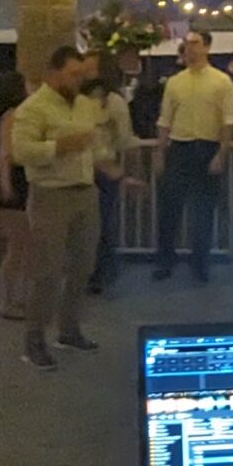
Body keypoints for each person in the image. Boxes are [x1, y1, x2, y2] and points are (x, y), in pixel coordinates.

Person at [10, 47, 105, 372]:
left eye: (81, 75)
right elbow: (20, 151)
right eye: (73, 74)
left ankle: (69, 329)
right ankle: (34, 340)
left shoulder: (85, 105)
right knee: (47, 271)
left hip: (85, 192)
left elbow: (94, 144)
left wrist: (112, 166)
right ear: (53, 73)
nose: (79, 80)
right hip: (50, 195)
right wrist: (58, 147)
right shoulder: (33, 109)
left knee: (83, 265)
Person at [152, 31, 233, 283]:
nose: (190, 49)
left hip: (207, 148)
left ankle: (200, 264)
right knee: (169, 209)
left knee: (203, 211)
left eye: (195, 44)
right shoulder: (174, 82)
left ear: (207, 47)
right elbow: (165, 120)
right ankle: (165, 260)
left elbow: (228, 121)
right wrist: (159, 152)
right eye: (187, 45)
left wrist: (221, 153)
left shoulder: (222, 82)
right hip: (179, 148)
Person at [85, 67, 139, 296]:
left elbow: (125, 138)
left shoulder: (113, 102)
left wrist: (129, 171)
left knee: (103, 224)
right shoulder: (75, 98)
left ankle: (101, 272)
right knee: (90, 225)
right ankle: (90, 271)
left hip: (103, 170)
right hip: (79, 169)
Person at [0, 70, 31, 321]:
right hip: (16, 179)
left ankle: (16, 297)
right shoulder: (13, 115)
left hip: (15, 179)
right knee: (18, 245)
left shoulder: (8, 115)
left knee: (20, 245)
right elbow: (5, 153)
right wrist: (6, 185)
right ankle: (9, 299)